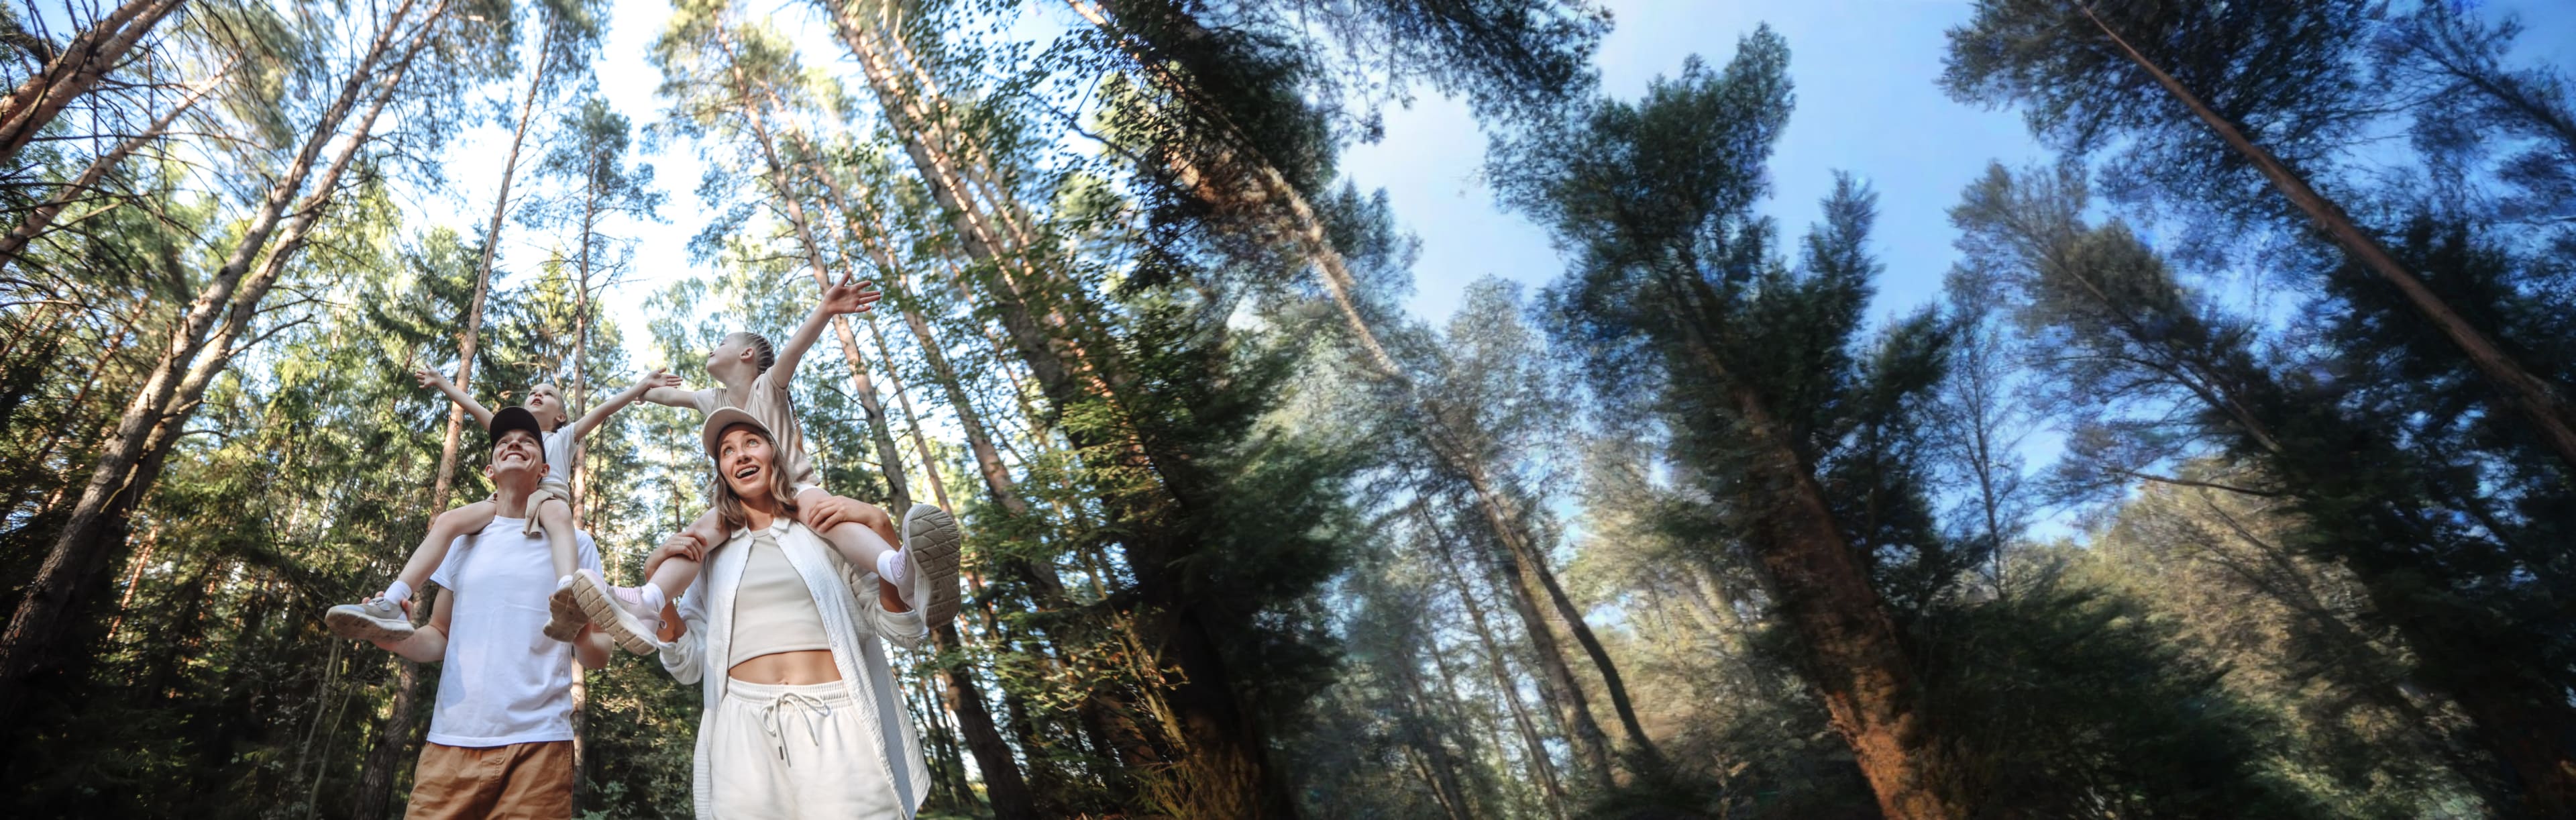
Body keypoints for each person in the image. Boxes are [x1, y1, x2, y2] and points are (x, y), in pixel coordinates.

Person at [568, 273, 960, 654]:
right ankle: (650, 601)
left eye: (721, 342)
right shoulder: (711, 400)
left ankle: (898, 570)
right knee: (700, 532)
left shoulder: (768, 385)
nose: (712, 348)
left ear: (746, 354)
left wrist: (826, 309)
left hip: (795, 488)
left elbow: (795, 348)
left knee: (826, 514)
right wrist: (641, 388)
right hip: (742, 501)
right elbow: (667, 399)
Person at [642, 407, 938, 819]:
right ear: (722, 471)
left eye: (751, 443)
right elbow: (689, 664)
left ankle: (900, 559)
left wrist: (882, 526)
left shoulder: (826, 530)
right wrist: (660, 588)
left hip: (839, 721)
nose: (740, 455)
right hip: (743, 732)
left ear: (774, 455)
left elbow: (903, 629)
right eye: (727, 451)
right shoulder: (711, 555)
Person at [356, 405, 614, 819]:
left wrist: (579, 626)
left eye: (527, 440)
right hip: (449, 746)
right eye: (503, 442)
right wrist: (393, 636)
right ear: (490, 469)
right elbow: (438, 635)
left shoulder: (577, 545)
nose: (514, 443)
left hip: (539, 749)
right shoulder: (461, 541)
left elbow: (598, 654)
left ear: (544, 468)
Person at [325, 366, 676, 643]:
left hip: (546, 501)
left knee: (558, 513)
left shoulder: (563, 437)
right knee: (448, 520)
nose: (538, 395)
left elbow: (603, 410)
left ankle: (567, 592)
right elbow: (472, 406)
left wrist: (640, 388)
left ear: (560, 417)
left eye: (549, 394)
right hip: (504, 502)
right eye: (533, 393)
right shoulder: (510, 437)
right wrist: (442, 382)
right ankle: (393, 599)